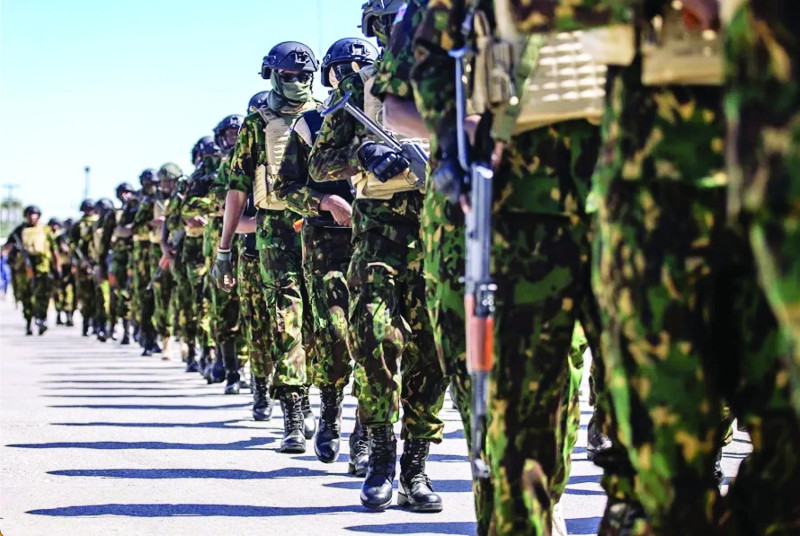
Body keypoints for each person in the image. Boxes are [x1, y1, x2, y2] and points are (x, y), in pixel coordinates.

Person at [308, 1, 446, 512]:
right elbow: (320, 164)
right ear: (378, 27)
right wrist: (362, 153)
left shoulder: (456, 74)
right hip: (379, 231)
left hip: (440, 228)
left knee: (432, 349)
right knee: (373, 336)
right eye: (394, 21)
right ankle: (381, 456)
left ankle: (416, 466)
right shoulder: (358, 87)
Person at [276, 36, 379, 473]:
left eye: (360, 66)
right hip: (326, 246)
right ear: (329, 75)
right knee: (335, 333)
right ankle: (331, 409)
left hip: (377, 241)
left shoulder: (390, 117)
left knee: (374, 339)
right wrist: (324, 202)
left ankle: (364, 435)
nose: (351, 75)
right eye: (342, 68)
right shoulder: (311, 124)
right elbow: (285, 187)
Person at [213, 41, 319, 453]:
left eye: (304, 76)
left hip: (323, 229)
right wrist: (225, 249)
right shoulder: (257, 125)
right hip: (275, 231)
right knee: (286, 320)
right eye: (289, 76)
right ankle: (292, 413)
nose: (297, 82)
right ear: (273, 76)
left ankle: (318, 401)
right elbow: (237, 190)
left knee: (323, 324)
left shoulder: (327, 114)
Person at [3, 205, 58, 335]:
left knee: (42, 295)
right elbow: (7, 247)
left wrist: (56, 268)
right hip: (24, 269)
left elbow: (53, 250)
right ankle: (28, 321)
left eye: (35, 214)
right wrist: (13, 252)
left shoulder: (45, 230)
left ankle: (41, 319)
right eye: (30, 214)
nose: (32, 217)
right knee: (26, 296)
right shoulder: (19, 230)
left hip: (42, 268)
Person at [131, 169, 160, 355]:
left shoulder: (164, 198)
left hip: (161, 253)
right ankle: (148, 338)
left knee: (162, 297)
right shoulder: (137, 202)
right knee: (145, 297)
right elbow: (133, 228)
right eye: (149, 184)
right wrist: (150, 225)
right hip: (142, 257)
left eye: (155, 183)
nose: (152, 187)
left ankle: (160, 336)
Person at [110, 182, 139, 344]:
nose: (125, 195)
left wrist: (130, 230)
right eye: (121, 193)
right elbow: (107, 236)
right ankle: (126, 330)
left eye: (127, 192)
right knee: (122, 294)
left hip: (138, 257)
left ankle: (140, 329)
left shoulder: (139, 208)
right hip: (120, 260)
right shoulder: (115, 214)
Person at [70, 199, 98, 337]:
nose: (89, 212)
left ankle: (98, 324)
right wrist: (80, 260)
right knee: (85, 295)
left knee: (99, 295)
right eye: (86, 209)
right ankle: (86, 323)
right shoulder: (78, 225)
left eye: (90, 209)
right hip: (83, 265)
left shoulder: (99, 222)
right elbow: (72, 244)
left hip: (98, 263)